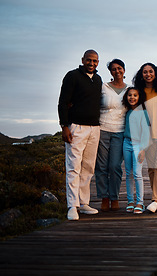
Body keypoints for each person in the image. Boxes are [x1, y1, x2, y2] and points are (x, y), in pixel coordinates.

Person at [58, 50, 102, 220]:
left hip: (94, 128)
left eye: (95, 61)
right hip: (76, 127)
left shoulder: (97, 80)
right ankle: (72, 206)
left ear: (98, 62)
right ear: (83, 60)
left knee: (88, 167)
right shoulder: (72, 76)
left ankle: (83, 203)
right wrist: (64, 126)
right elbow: (63, 102)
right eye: (89, 60)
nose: (92, 63)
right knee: (73, 167)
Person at [133, 63, 157, 213]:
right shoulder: (139, 92)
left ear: (156, 73)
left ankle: (155, 200)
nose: (148, 74)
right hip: (147, 133)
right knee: (152, 168)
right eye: (145, 72)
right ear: (141, 75)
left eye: (150, 71)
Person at [95, 59, 128, 211]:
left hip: (119, 131)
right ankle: (104, 197)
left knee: (114, 166)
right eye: (113, 69)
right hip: (102, 130)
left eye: (119, 68)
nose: (117, 71)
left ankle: (114, 197)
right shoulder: (103, 87)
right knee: (101, 166)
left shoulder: (130, 90)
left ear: (124, 70)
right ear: (110, 72)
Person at [122, 87, 150, 214]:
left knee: (137, 173)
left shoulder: (143, 112)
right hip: (126, 143)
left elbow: (146, 132)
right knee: (128, 173)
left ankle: (140, 202)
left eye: (135, 95)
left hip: (138, 145)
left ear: (139, 98)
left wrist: (143, 149)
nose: (132, 97)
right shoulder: (127, 112)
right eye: (129, 95)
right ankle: (130, 201)